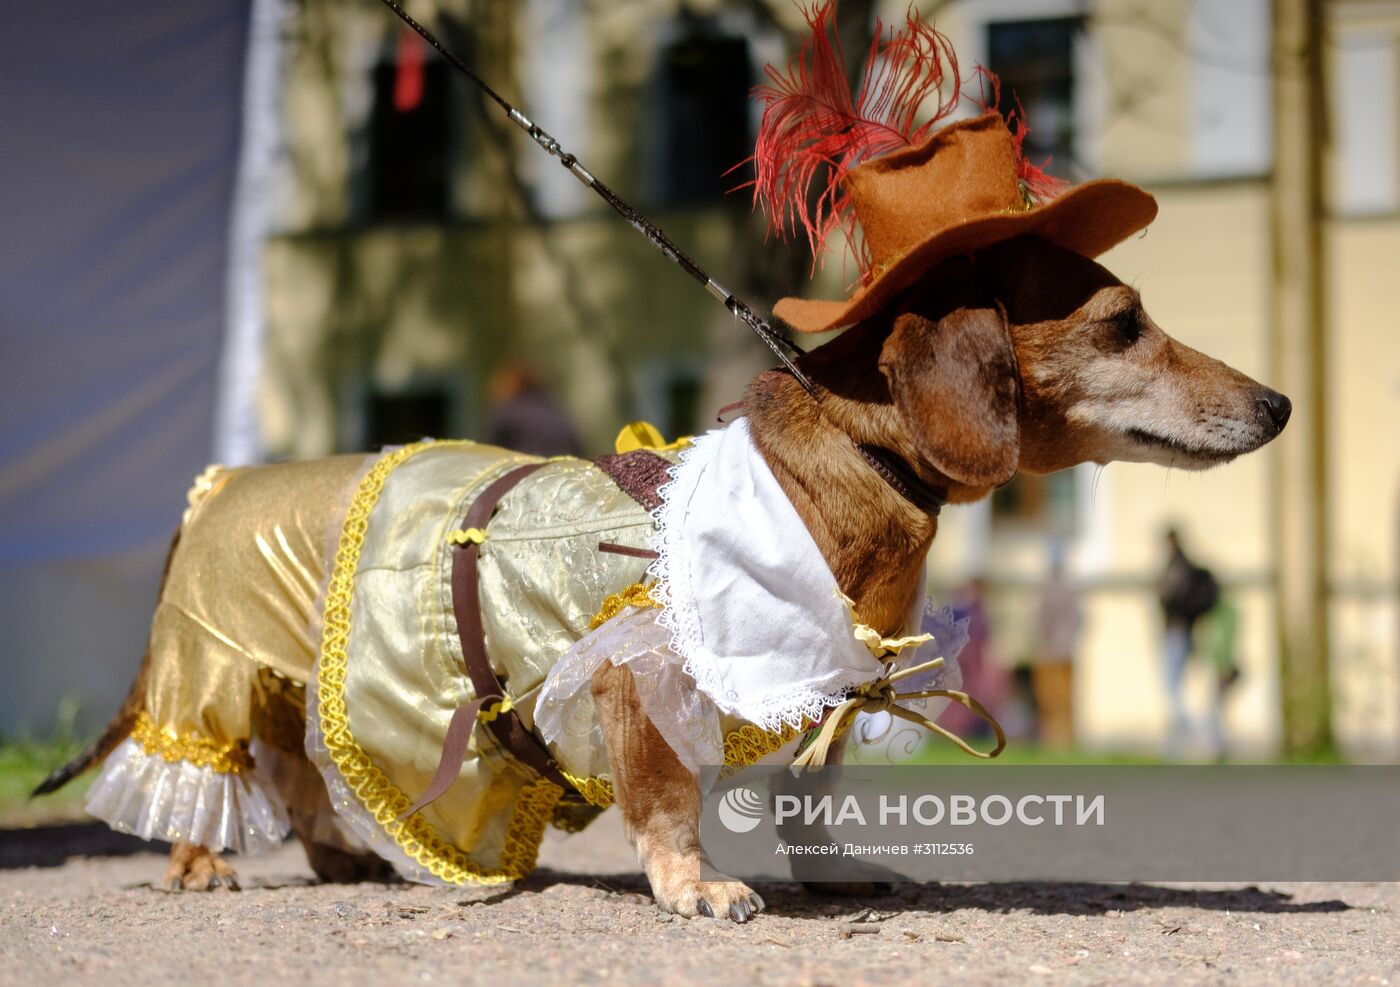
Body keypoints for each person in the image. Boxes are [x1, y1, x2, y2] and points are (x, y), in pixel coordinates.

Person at [1156, 527, 1220, 753]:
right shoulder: (1181, 566)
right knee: (1175, 688)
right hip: (1183, 633)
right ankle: (1180, 742)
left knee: (1172, 689)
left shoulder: (1177, 567)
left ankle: (1198, 734)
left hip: (1177, 633)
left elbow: (1169, 598)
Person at [1032, 541, 1082, 748]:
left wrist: (1055, 642)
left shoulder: (1052, 588)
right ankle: (1058, 741)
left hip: (1054, 653)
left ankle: (1059, 741)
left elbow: (1042, 621)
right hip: (1060, 652)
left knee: (1056, 700)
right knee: (1058, 701)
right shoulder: (1067, 587)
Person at [483, 363, 582, 457]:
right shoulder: (556, 410)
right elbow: (577, 447)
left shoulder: (511, 411)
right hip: (562, 470)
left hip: (528, 470)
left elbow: (489, 450)